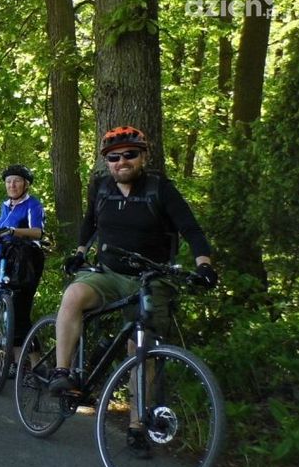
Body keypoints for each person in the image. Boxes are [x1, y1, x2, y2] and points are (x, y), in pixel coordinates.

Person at [50, 126, 216, 428]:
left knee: (142, 349)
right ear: (106, 161)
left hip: (151, 278)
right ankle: (62, 372)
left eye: (129, 155)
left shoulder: (160, 189)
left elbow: (191, 229)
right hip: (109, 273)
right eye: (114, 157)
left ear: (143, 156)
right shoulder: (101, 187)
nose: (121, 161)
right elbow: (90, 222)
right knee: (73, 295)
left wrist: (203, 265)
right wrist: (79, 251)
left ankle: (137, 425)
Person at [0, 165, 46, 362]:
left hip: (27, 261)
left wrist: (13, 231)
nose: (12, 185)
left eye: (17, 181)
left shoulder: (32, 205)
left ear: (26, 184)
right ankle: (17, 363)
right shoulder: (5, 206)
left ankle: (35, 364)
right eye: (8, 181)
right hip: (6, 261)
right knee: (8, 312)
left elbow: (38, 232)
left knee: (20, 313)